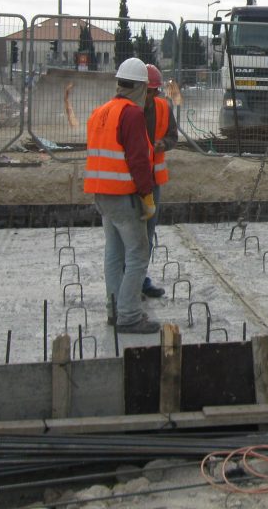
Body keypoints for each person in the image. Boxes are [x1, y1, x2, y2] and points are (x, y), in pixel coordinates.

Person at [84, 57, 159, 334]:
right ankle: (128, 315)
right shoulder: (132, 114)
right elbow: (138, 159)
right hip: (123, 194)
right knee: (138, 253)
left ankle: (114, 310)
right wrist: (147, 196)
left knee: (114, 254)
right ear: (140, 87)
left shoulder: (101, 112)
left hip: (101, 194)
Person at [140, 63, 177, 299]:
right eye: (147, 91)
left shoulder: (162, 107)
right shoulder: (126, 110)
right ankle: (127, 282)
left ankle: (140, 278)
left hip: (152, 180)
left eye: (153, 92)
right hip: (128, 182)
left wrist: (163, 144)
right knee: (131, 236)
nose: (151, 96)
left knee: (147, 232)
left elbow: (173, 135)